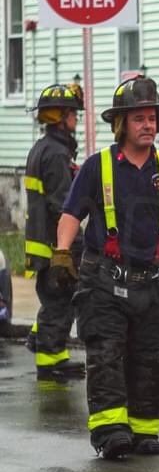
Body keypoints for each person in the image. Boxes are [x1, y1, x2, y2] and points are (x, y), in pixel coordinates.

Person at [52, 76, 159, 459]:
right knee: (107, 355)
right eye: (139, 118)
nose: (148, 125)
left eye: (152, 118)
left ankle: (144, 430)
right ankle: (110, 431)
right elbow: (70, 215)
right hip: (104, 282)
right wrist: (62, 252)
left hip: (152, 284)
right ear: (121, 125)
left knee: (149, 359)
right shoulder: (99, 167)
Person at [24, 83, 87, 380]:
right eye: (73, 112)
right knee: (61, 298)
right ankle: (49, 363)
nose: (76, 118)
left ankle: (49, 346)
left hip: (43, 239)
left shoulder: (44, 148)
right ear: (61, 117)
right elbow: (62, 203)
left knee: (55, 296)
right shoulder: (56, 154)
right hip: (56, 241)